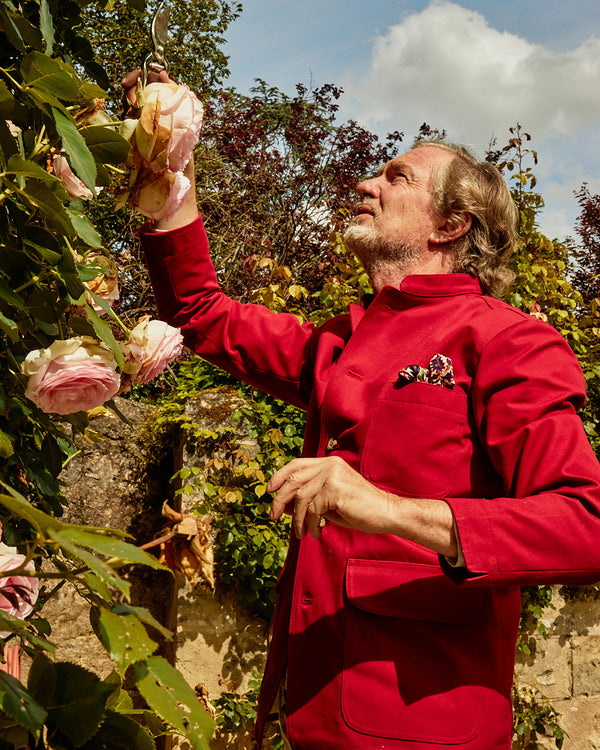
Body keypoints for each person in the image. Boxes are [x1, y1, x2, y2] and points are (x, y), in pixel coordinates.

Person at [137, 117, 600, 748]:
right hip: (308, 714)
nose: (366, 183)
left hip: (426, 727)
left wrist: (384, 509)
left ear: (451, 224)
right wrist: (172, 185)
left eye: (397, 176)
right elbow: (202, 315)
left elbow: (584, 525)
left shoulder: (508, 340)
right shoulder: (340, 339)